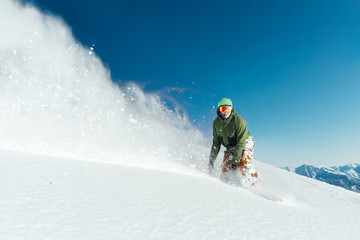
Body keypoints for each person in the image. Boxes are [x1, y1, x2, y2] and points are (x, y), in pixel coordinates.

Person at [208, 98, 259, 185]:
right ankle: (227, 186)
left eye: (228, 109)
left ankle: (255, 185)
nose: (225, 112)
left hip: (245, 142)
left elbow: (241, 141)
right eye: (223, 109)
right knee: (225, 167)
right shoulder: (216, 123)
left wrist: (235, 160)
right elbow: (216, 143)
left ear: (231, 109)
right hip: (230, 146)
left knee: (243, 163)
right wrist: (211, 160)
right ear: (219, 110)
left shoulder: (238, 120)